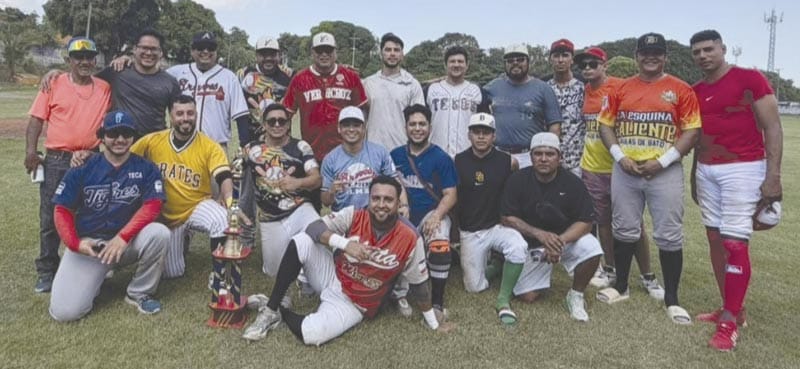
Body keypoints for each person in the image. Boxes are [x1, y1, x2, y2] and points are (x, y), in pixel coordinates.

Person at [242, 175, 454, 345]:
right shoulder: (355, 214)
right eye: (376, 198)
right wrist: (345, 244)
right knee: (302, 241)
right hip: (333, 275)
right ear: (369, 199)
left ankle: (282, 311)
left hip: (355, 303)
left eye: (388, 200)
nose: (381, 204)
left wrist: (433, 323)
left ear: (399, 203)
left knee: (311, 334)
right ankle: (270, 308)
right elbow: (313, 228)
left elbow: (419, 285)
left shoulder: (409, 237)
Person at [596, 33, 701, 325]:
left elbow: (692, 131)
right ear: (636, 55)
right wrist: (620, 156)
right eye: (645, 52)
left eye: (656, 52)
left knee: (669, 232)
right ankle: (621, 287)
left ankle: (672, 299)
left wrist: (662, 161)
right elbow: (605, 125)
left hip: (664, 170)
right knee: (625, 228)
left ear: (665, 56)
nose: (650, 57)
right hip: (626, 168)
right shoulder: (621, 89)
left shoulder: (681, 89)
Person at [689, 30, 783, 351]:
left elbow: (772, 127)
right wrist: (693, 176)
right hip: (706, 168)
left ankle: (729, 323)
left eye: (708, 49)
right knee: (714, 238)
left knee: (734, 240)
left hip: (743, 168)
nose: (703, 56)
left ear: (723, 49)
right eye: (697, 52)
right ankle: (733, 308)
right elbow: (698, 135)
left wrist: (773, 177)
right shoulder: (696, 90)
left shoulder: (750, 78)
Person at [49, 111, 169, 321]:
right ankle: (96, 277)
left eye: (126, 133)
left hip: (126, 243)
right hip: (92, 247)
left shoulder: (145, 168)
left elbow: (153, 205)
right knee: (64, 313)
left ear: (133, 136)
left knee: (159, 233)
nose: (120, 139)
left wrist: (123, 237)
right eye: (113, 133)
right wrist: (76, 244)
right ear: (102, 136)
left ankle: (139, 292)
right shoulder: (83, 167)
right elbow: (62, 210)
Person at [25, 36, 112, 293]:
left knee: (92, 214)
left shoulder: (105, 87)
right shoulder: (54, 83)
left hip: (92, 158)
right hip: (57, 160)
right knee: (51, 217)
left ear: (95, 59)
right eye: (78, 57)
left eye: (89, 57)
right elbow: (36, 121)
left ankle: (89, 265)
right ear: (69, 60)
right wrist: (31, 151)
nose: (84, 62)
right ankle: (47, 270)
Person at [576, 47, 663, 296]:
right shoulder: (583, 91)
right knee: (603, 223)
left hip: (622, 167)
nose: (588, 69)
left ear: (606, 65)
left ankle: (648, 276)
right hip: (592, 167)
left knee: (634, 225)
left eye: (593, 64)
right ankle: (610, 269)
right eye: (584, 65)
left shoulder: (622, 87)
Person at [500, 133, 602, 322]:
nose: (544, 159)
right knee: (527, 296)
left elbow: (586, 222)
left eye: (550, 154)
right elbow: (506, 218)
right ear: (530, 157)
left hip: (563, 240)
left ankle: (576, 295)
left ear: (559, 157)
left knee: (592, 247)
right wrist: (539, 234)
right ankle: (509, 267)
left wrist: (559, 242)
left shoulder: (573, 183)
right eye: (538, 154)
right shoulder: (518, 180)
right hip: (531, 246)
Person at [130, 95, 234, 278]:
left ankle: (220, 272)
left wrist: (229, 201)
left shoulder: (209, 145)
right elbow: (122, 159)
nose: (185, 118)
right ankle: (184, 237)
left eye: (190, 113)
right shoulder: (152, 141)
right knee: (173, 273)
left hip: (196, 206)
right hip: (166, 217)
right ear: (171, 116)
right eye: (179, 113)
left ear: (196, 114)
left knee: (221, 218)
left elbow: (223, 175)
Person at [454, 112, 527, 325]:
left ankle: (503, 297)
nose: (481, 137)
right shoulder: (458, 161)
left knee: (518, 246)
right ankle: (495, 266)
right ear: (469, 135)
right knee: (473, 288)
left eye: (486, 133)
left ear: (494, 136)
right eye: (476, 132)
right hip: (471, 230)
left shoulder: (508, 161)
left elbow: (514, 192)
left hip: (497, 225)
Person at [41, 29, 180, 136]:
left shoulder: (170, 82)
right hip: (122, 145)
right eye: (144, 48)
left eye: (153, 49)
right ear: (134, 49)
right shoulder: (117, 71)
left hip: (155, 145)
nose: (148, 53)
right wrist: (58, 73)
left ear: (161, 52)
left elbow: (177, 116)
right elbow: (84, 78)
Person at [390, 104, 458, 316]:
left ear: (429, 127)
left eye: (422, 124)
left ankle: (437, 302)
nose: (417, 128)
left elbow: (451, 194)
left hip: (431, 212)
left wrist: (437, 216)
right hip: (404, 216)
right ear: (405, 127)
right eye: (413, 124)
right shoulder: (395, 155)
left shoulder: (440, 157)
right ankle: (398, 292)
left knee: (438, 243)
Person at [242, 103, 321, 277]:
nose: (277, 125)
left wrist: (297, 182)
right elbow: (232, 173)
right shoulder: (252, 150)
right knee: (274, 272)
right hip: (270, 217)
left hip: (299, 208)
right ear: (264, 125)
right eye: (272, 121)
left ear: (288, 124)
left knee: (317, 230)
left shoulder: (301, 147)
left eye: (281, 121)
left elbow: (316, 179)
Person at [236, 36, 295, 250]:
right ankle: (246, 236)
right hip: (252, 140)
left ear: (279, 55)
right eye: (263, 53)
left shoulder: (289, 75)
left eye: (272, 53)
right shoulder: (244, 75)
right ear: (257, 55)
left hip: (280, 139)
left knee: (283, 186)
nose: (268, 58)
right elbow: (240, 109)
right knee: (248, 190)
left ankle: (286, 235)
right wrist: (244, 141)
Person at [282, 32, 369, 163]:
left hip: (345, 152)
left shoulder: (350, 77)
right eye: (319, 50)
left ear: (335, 52)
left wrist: (358, 140)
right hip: (311, 153)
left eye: (328, 50)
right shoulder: (300, 79)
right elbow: (286, 114)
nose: (324, 54)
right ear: (312, 52)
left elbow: (363, 109)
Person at [484, 44, 562, 168]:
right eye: (510, 60)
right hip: (498, 154)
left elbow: (554, 125)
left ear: (528, 62)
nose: (515, 63)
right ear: (505, 64)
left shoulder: (544, 89)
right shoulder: (492, 87)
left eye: (520, 59)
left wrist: (550, 153)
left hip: (530, 156)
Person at [166, 31, 250, 148]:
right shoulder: (176, 72)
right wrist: (132, 64)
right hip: (180, 146)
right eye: (200, 47)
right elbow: (151, 76)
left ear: (216, 52)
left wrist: (244, 145)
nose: (205, 51)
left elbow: (241, 115)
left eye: (211, 48)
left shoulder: (229, 77)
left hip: (216, 146)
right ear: (192, 51)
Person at [320, 106, 402, 212]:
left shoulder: (380, 152)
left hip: (374, 216)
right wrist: (331, 191)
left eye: (356, 125)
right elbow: (325, 201)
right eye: (346, 125)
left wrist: (404, 205)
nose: (351, 129)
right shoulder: (330, 159)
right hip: (344, 218)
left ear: (364, 128)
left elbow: (396, 183)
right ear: (339, 129)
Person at [363, 32, 425, 150]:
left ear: (402, 55)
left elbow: (419, 120)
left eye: (396, 50)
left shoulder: (412, 84)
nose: (392, 54)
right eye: (388, 50)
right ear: (381, 54)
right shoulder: (368, 83)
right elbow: (361, 119)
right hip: (372, 151)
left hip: (403, 150)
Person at [426, 46, 490, 157]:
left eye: (460, 61)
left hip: (469, 156)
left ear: (467, 65)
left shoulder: (477, 91)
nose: (456, 65)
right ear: (445, 65)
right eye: (452, 61)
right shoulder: (430, 90)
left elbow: (486, 127)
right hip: (435, 154)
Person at [544, 39, 585, 176]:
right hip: (548, 157)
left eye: (565, 55)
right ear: (550, 59)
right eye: (556, 56)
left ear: (572, 59)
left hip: (579, 159)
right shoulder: (542, 86)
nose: (560, 60)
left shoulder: (584, 85)